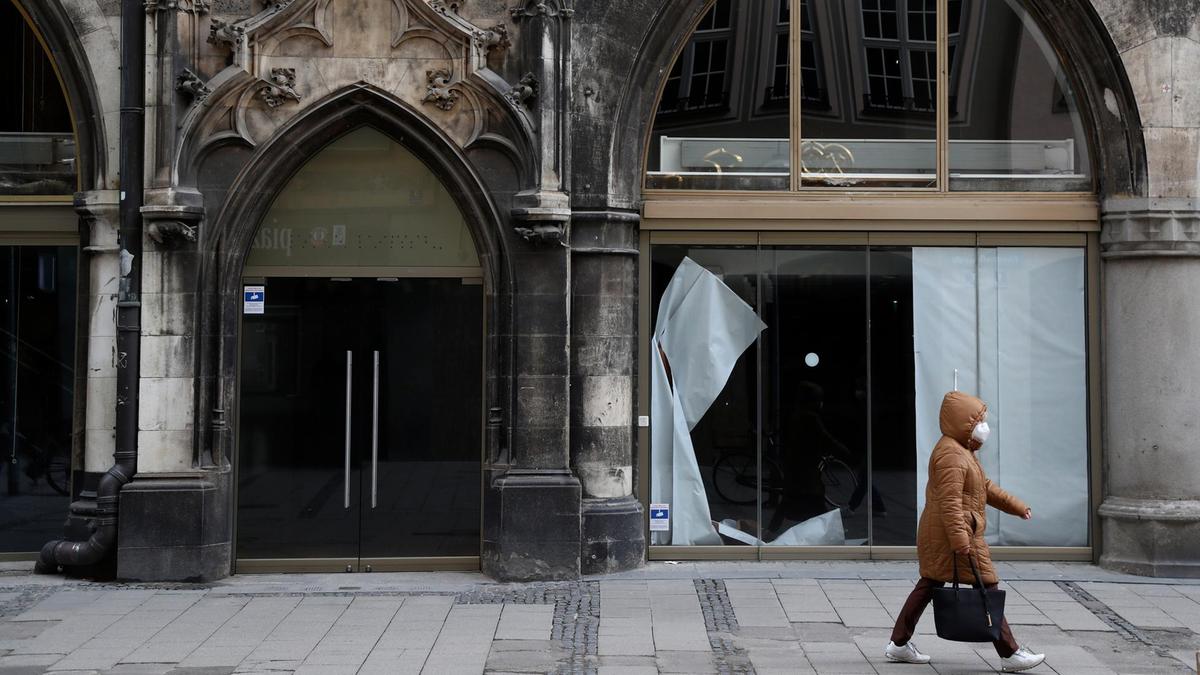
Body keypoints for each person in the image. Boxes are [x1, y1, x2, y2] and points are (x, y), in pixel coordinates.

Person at [883, 391, 1046, 672]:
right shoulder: (952, 455)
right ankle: (1010, 653)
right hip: (956, 535)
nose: (985, 427)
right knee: (987, 586)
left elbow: (985, 487)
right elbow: (950, 503)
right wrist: (960, 541)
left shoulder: (962, 451)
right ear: (964, 422)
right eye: (979, 421)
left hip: (948, 533)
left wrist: (1017, 506)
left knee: (930, 584)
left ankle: (898, 644)